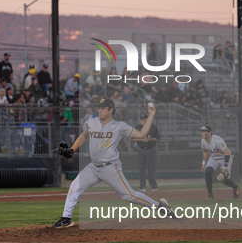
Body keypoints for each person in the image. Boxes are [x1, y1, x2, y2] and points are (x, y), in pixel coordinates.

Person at [50, 98, 175, 228]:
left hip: (110, 167)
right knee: (74, 187)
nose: (100, 110)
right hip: (93, 167)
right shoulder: (90, 122)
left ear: (111, 110)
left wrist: (151, 115)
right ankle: (66, 218)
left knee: (129, 195)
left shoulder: (120, 126)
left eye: (103, 108)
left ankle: (160, 207)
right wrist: (72, 149)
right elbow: (84, 136)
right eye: (99, 107)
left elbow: (142, 135)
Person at [200, 125, 240, 200]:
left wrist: (225, 167)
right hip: (214, 158)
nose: (203, 133)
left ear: (210, 132)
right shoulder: (203, 141)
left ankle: (235, 187)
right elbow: (205, 152)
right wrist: (203, 164)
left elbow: (227, 152)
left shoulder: (217, 140)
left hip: (224, 158)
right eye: (202, 131)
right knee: (208, 171)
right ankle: (210, 195)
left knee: (224, 178)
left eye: (205, 131)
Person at [132, 113, 160, 192]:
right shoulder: (138, 127)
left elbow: (157, 138)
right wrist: (141, 139)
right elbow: (133, 138)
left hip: (151, 148)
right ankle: (142, 185)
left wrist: (149, 140)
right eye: (142, 119)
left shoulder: (153, 128)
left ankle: (153, 186)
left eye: (144, 119)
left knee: (151, 168)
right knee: (141, 168)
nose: (143, 120)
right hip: (141, 149)